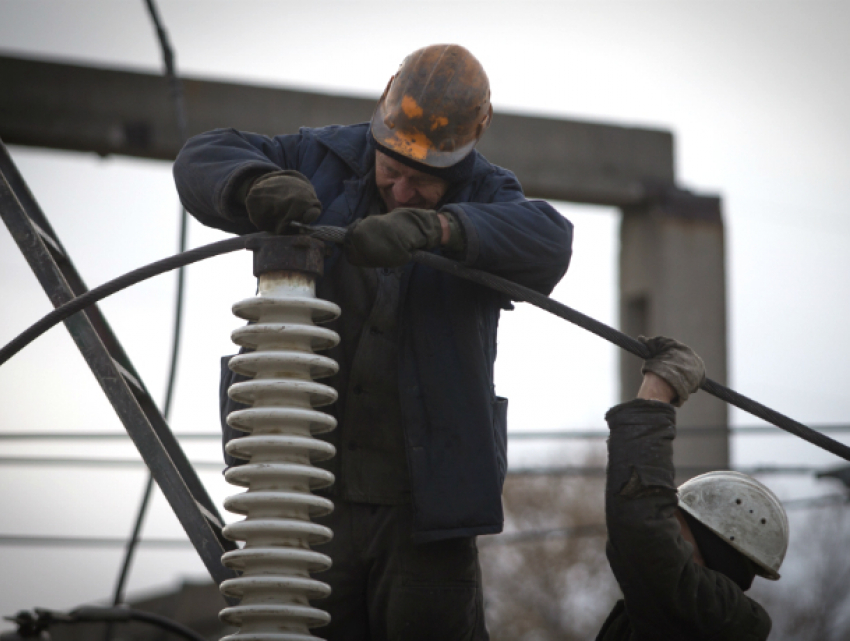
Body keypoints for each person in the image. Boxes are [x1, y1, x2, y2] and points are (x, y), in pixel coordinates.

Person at [173, 44, 573, 640]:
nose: (404, 188)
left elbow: (549, 242)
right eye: (393, 169)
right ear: (380, 128)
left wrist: (440, 229)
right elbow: (201, 156)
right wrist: (256, 182)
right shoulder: (315, 157)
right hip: (303, 488)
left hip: (426, 511)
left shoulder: (488, 196)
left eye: (425, 182)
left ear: (462, 158)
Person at [597, 336, 790, 640]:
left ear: (710, 546)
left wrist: (658, 392)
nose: (667, 531)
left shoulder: (706, 612)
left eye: (676, 522)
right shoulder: (696, 615)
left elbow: (641, 528)